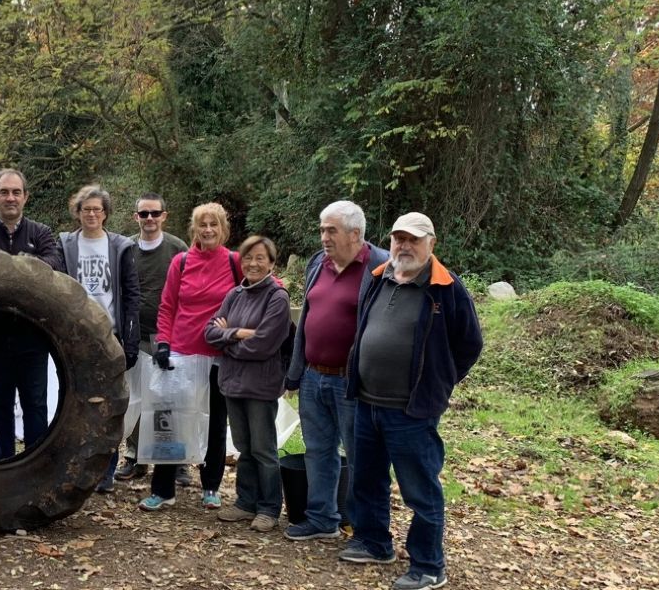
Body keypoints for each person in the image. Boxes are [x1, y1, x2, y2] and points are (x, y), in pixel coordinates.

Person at [342, 212, 482, 590]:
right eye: (398, 238)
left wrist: (440, 382)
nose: (405, 245)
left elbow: (470, 344)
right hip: (368, 403)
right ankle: (374, 543)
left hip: (411, 410)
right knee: (367, 480)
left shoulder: (447, 287)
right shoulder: (378, 277)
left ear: (431, 244)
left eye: (413, 239)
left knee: (420, 490)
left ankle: (429, 566)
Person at [283, 201, 389, 541]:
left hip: (352, 381)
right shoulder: (318, 263)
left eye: (332, 230)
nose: (324, 237)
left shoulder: (381, 265)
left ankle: (365, 530)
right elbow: (307, 320)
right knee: (319, 450)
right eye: (322, 230)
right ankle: (322, 518)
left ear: (355, 234)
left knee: (362, 456)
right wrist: (296, 370)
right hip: (314, 376)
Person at [138, 202, 241, 513]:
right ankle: (163, 489)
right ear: (194, 229)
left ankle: (210, 486)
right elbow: (167, 306)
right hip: (181, 353)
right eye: (202, 225)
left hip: (218, 356)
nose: (207, 230)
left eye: (213, 224)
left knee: (215, 422)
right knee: (168, 420)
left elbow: (261, 290)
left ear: (223, 229)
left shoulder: (236, 263)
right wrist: (164, 344)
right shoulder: (181, 262)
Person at [0, 169, 64, 460]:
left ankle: (34, 464)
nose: (11, 198)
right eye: (5, 192)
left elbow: (52, 265)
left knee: (35, 403)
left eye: (16, 192)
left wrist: (1, 265)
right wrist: (24, 267)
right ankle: (3, 463)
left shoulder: (42, 233)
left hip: (32, 334)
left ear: (25, 197)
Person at [204, 235, 290, 532]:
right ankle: (245, 502)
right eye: (248, 258)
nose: (253, 263)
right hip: (233, 384)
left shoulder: (277, 297)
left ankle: (269, 508)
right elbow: (209, 333)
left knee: (264, 449)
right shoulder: (235, 294)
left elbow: (264, 344)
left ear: (271, 263)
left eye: (260, 258)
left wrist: (229, 338)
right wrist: (239, 334)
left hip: (260, 386)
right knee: (243, 446)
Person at [58, 185, 140, 492]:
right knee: (76, 404)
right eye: (86, 209)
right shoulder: (66, 244)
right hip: (77, 336)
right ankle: (78, 470)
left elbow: (132, 294)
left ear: (105, 213)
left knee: (109, 407)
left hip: (111, 335)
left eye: (97, 209)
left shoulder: (119, 246)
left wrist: (130, 340)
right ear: (77, 213)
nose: (92, 214)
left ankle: (105, 473)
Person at [115, 192, 188, 481]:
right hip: (134, 334)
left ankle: (174, 460)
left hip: (168, 335)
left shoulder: (177, 249)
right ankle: (134, 456)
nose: (149, 219)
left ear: (164, 216)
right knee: (135, 398)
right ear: (136, 217)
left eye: (154, 213)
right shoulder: (125, 248)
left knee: (168, 399)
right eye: (143, 214)